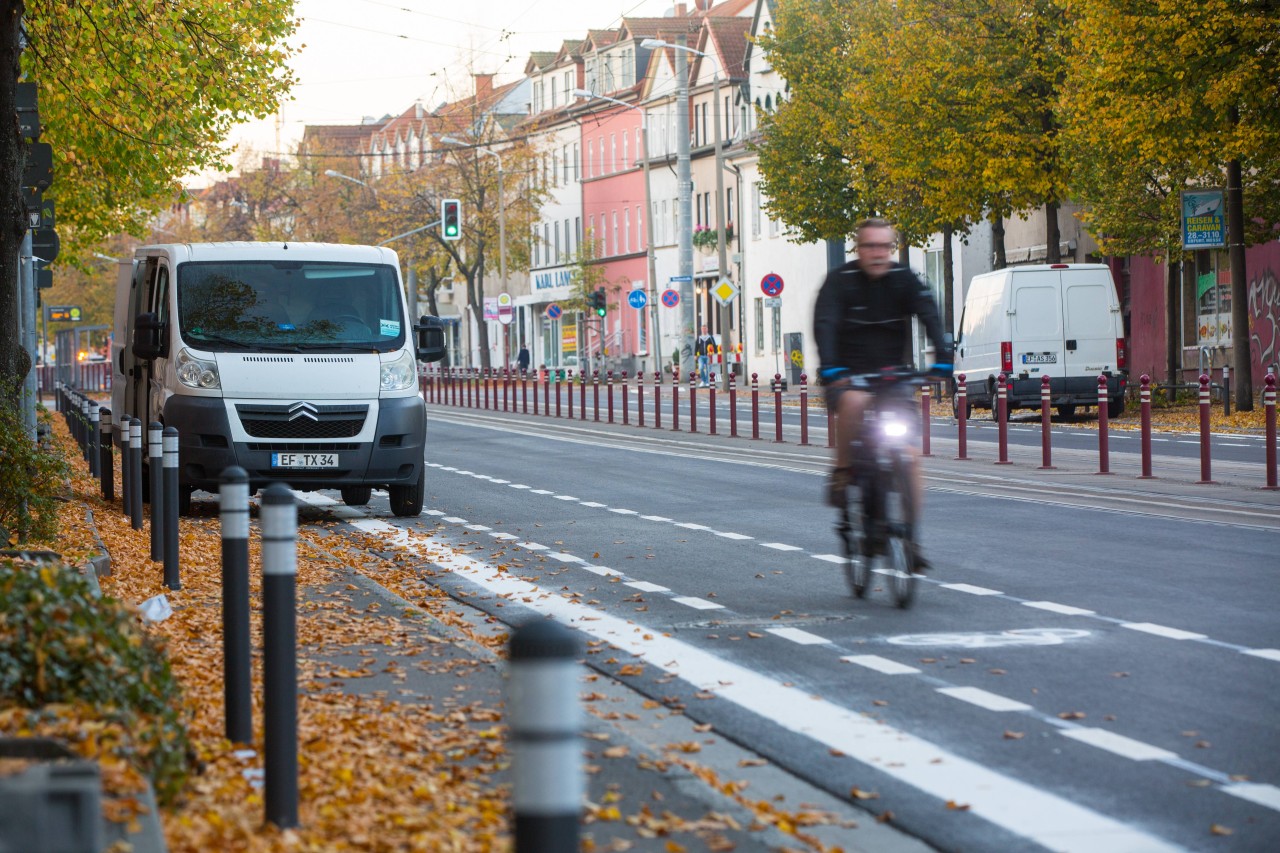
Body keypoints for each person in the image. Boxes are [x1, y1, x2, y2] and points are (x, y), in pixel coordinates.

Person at [813, 218, 952, 567]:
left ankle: (913, 538)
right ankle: (843, 472)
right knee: (855, 402)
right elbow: (825, 326)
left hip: (892, 378)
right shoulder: (839, 282)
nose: (877, 253)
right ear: (857, 249)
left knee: (910, 453)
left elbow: (929, 314)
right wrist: (831, 369)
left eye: (883, 246)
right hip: (847, 377)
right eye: (869, 246)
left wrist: (943, 359)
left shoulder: (904, 279)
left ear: (891, 248)